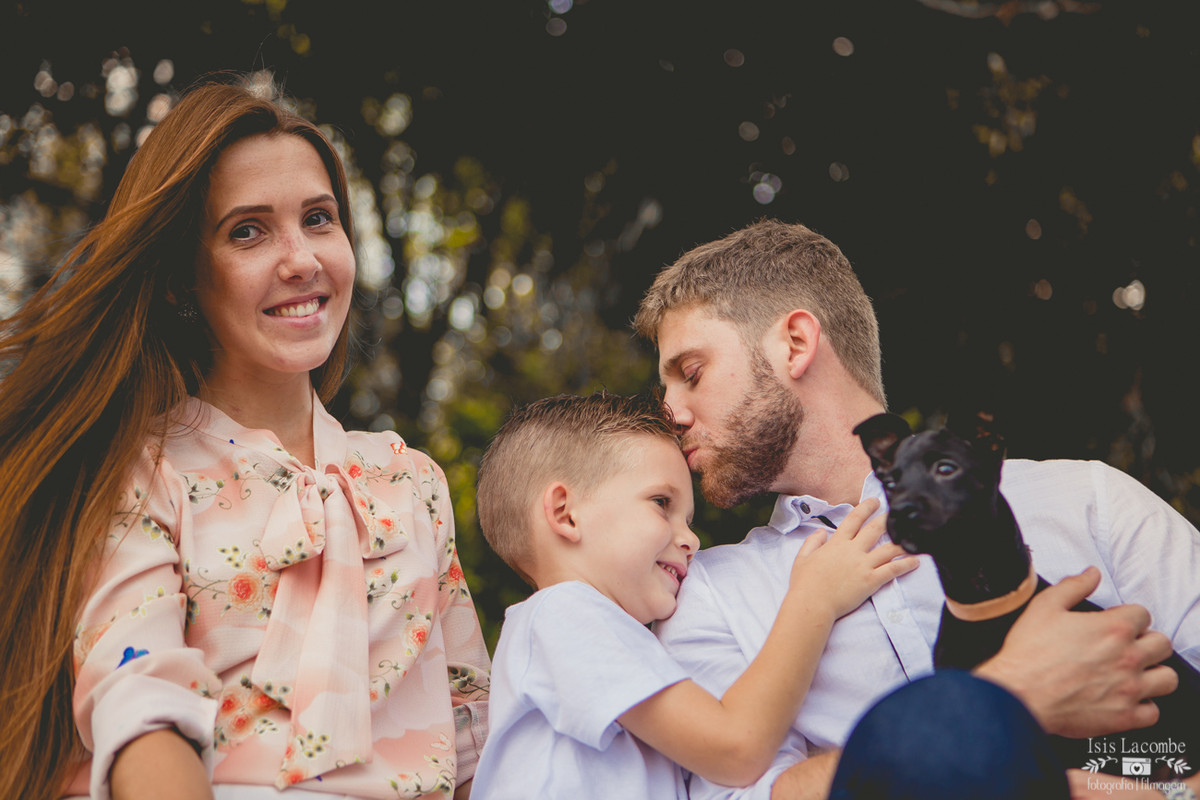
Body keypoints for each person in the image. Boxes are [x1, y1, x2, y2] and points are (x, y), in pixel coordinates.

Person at [0, 78, 490, 800]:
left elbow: (475, 729)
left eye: (319, 219)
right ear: (179, 281)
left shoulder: (410, 480)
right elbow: (142, 705)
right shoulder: (139, 475)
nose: (300, 259)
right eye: (248, 230)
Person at [632, 219, 1200, 800]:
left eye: (691, 374)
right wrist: (1006, 696)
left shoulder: (1086, 502)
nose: (670, 413)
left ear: (796, 344)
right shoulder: (704, 597)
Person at [469, 391, 917, 799]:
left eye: (689, 519)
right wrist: (814, 600)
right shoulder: (563, 614)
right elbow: (735, 748)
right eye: (662, 503)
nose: (691, 540)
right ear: (565, 514)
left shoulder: (594, 633)